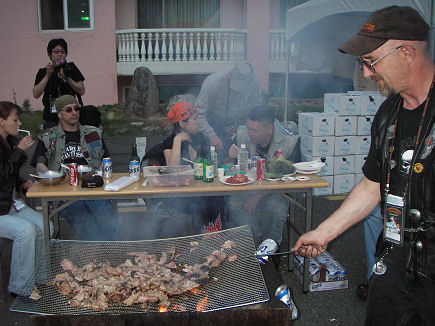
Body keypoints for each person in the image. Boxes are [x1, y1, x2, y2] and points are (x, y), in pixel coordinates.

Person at [292, 6, 435, 325]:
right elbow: (373, 185)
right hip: (395, 262)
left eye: (371, 61)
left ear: (407, 53)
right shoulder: (387, 114)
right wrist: (323, 232)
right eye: (363, 63)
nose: (367, 73)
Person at [31, 95, 119, 241]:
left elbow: (106, 160)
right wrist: (48, 174)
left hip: (91, 186)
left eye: (76, 108)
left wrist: (101, 173)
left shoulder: (93, 134)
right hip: (64, 190)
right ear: (60, 114)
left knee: (105, 214)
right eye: (68, 109)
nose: (74, 112)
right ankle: (100, 250)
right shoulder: (48, 136)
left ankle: (113, 249)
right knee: (82, 216)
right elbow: (39, 162)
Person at [226, 105, 298, 245]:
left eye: (254, 130)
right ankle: (255, 240)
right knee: (233, 203)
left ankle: (268, 249)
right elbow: (227, 168)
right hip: (248, 187)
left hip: (278, 191)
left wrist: (258, 196)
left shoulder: (290, 142)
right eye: (248, 128)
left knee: (275, 208)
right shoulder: (242, 135)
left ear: (270, 129)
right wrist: (229, 157)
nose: (249, 133)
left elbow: (292, 179)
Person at [0, 101, 46, 296]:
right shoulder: (12, 146)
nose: (19, 124)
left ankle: (42, 279)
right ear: (1, 121)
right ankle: (20, 289)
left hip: (11, 204)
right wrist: (19, 152)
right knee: (25, 231)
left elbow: (10, 176)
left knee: (45, 225)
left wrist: (22, 183)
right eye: (15, 120)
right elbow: (2, 173)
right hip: (1, 210)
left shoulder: (8, 142)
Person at [195, 61, 262, 159]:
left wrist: (245, 123)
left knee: (235, 154)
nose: (237, 92)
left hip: (237, 120)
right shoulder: (213, 83)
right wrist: (211, 135)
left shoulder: (254, 79)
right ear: (231, 75)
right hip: (213, 120)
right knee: (215, 155)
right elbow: (198, 114)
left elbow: (256, 105)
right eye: (235, 90)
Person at [33, 38, 85, 129]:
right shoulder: (43, 71)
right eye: (56, 52)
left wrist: (67, 78)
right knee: (51, 141)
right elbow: (36, 93)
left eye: (63, 52)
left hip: (70, 113)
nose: (60, 54)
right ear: (49, 54)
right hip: (51, 115)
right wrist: (47, 75)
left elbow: (81, 90)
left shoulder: (71, 68)